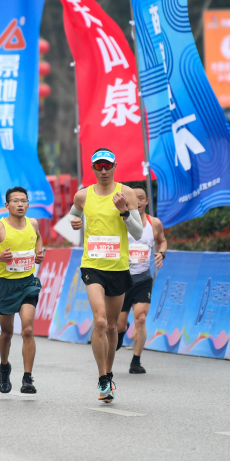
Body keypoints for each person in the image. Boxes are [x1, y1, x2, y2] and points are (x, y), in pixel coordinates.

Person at [68, 149, 145, 403]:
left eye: (107, 166)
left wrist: (124, 210)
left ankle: (109, 372)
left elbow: (136, 233)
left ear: (114, 167)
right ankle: (102, 377)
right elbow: (73, 215)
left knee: (112, 326)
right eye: (98, 167)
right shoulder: (83, 195)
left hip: (118, 267)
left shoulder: (128, 194)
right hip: (92, 266)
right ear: (92, 168)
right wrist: (74, 222)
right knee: (99, 321)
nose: (103, 171)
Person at [0, 187, 44, 395]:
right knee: (6, 333)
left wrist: (39, 252)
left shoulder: (33, 223)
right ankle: (4, 366)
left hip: (28, 283)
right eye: (16, 201)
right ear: (7, 205)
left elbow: (38, 237)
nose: (21, 204)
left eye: (24, 200)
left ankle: (27, 377)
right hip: (6, 286)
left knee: (28, 330)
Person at [116, 186, 168, 374]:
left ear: (146, 202)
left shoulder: (154, 224)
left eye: (141, 198)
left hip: (143, 277)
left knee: (141, 317)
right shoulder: (121, 221)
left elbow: (162, 240)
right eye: (134, 198)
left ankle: (136, 361)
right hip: (122, 278)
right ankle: (121, 331)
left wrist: (161, 253)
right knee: (119, 324)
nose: (137, 202)